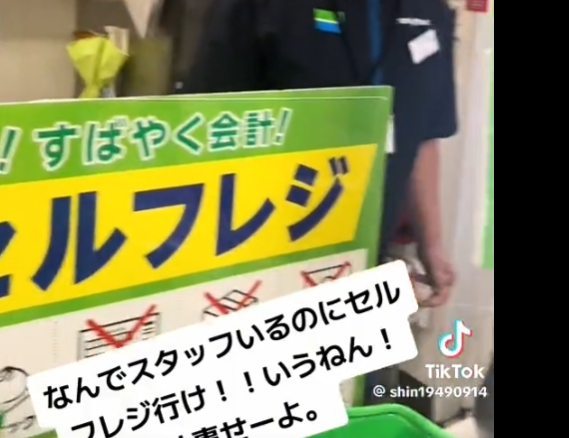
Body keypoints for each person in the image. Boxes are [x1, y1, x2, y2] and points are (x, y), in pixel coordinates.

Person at [180, 0, 458, 406]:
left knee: (356, 420)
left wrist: (432, 245)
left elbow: (424, 134)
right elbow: (204, 128)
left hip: (365, 275)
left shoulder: (431, 10)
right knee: (262, 423)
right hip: (259, 274)